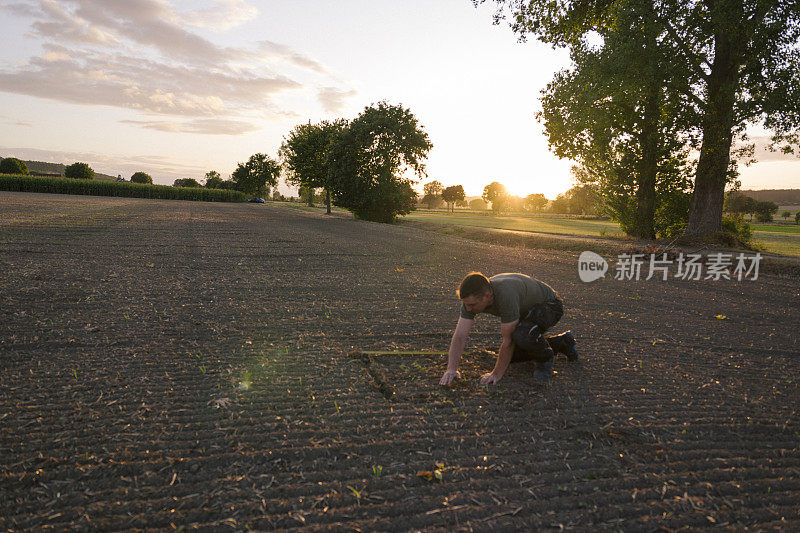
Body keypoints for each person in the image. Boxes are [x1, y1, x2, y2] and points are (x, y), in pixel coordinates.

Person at [439, 272, 578, 386]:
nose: (468, 309)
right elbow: (460, 336)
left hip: (550, 305)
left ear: (488, 296)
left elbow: (508, 341)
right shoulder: (471, 300)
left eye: (472, 305)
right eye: (466, 305)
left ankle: (545, 360)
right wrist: (451, 369)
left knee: (522, 335)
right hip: (525, 309)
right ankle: (563, 342)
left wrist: (496, 374)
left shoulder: (505, 295)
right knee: (512, 356)